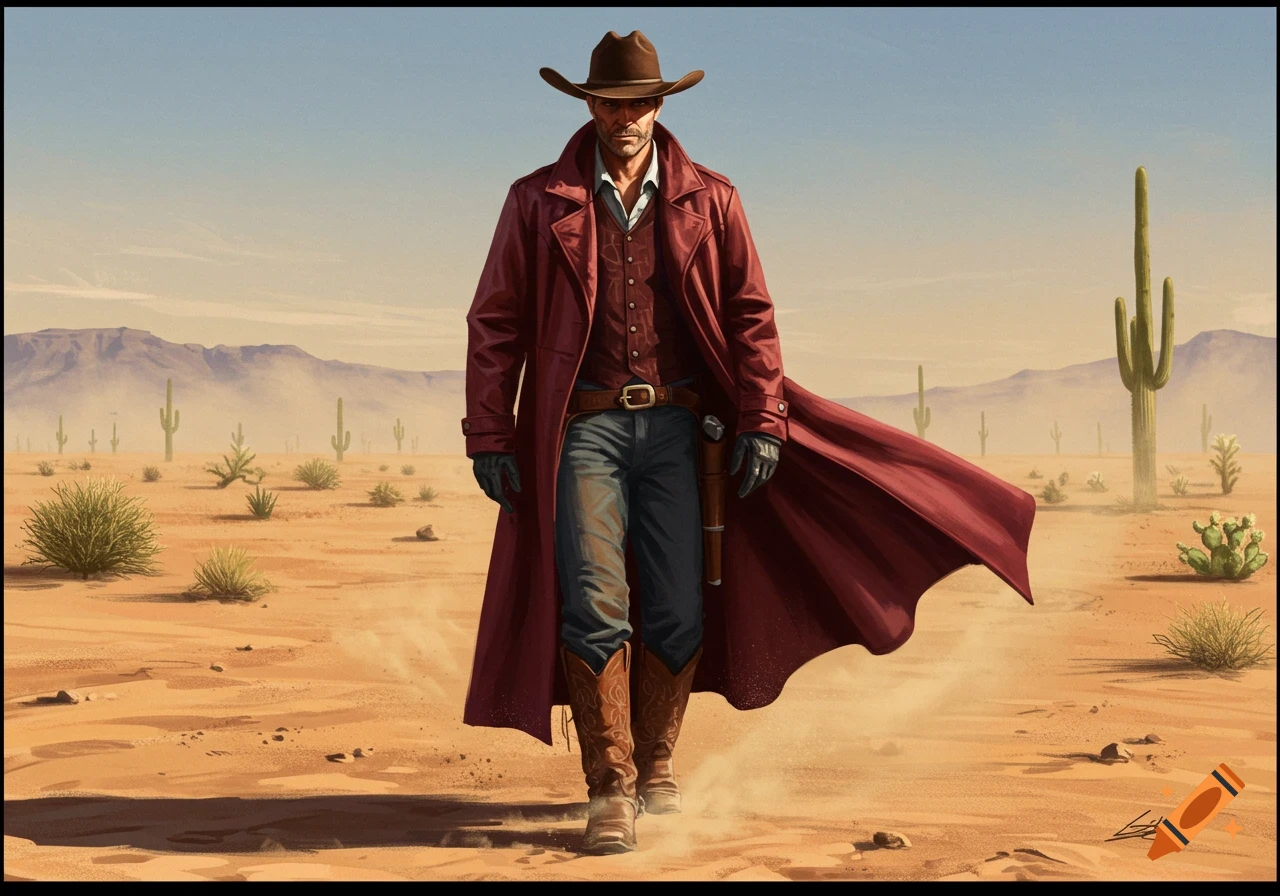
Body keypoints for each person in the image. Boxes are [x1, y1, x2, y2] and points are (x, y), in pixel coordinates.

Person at [462, 30, 1036, 855]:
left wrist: (764, 416)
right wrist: (490, 433)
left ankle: (658, 764)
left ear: (660, 106)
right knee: (593, 602)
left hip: (680, 429)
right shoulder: (536, 200)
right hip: (580, 428)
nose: (625, 118)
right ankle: (611, 787)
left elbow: (750, 314)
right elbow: (496, 321)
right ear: (588, 105)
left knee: (679, 605)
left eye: (640, 103)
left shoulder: (713, 199)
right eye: (611, 103)